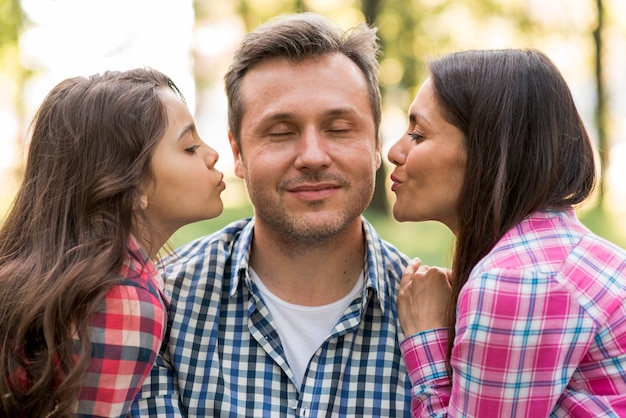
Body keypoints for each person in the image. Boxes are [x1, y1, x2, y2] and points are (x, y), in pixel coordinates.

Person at [131, 12, 413, 417]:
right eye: (280, 132)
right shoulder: (160, 306)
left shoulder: (443, 321)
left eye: (338, 128)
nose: (313, 156)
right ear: (237, 153)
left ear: (374, 145)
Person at [388, 48, 626, 417]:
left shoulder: (517, 280)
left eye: (418, 134)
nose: (394, 151)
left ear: (488, 150)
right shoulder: (558, 256)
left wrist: (426, 340)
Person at [0, 68, 225, 417]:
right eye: (190, 147)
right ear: (133, 187)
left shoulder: (63, 273)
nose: (212, 154)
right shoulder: (124, 300)